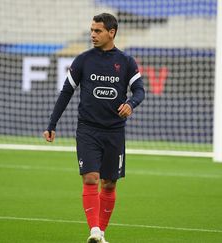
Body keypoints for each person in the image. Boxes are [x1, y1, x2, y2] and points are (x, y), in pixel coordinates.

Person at [43, 13, 145, 243]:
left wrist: (131, 104)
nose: (92, 35)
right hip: (88, 130)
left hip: (114, 131)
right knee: (90, 178)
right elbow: (66, 92)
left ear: (112, 33)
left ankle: (102, 235)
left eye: (98, 31)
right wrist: (52, 124)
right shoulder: (83, 60)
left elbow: (140, 90)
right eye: (91, 30)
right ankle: (95, 231)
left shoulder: (126, 62)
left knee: (109, 184)